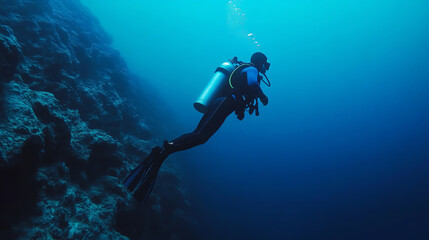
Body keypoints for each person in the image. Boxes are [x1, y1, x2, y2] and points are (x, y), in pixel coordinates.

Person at [123, 52, 271, 202]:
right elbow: (252, 84)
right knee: (200, 135)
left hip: (224, 104)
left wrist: (240, 109)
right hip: (223, 103)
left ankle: (165, 152)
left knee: (201, 137)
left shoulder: (246, 69)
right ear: (260, 63)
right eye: (266, 63)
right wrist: (263, 97)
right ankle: (166, 149)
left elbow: (243, 89)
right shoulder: (252, 69)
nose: (267, 67)